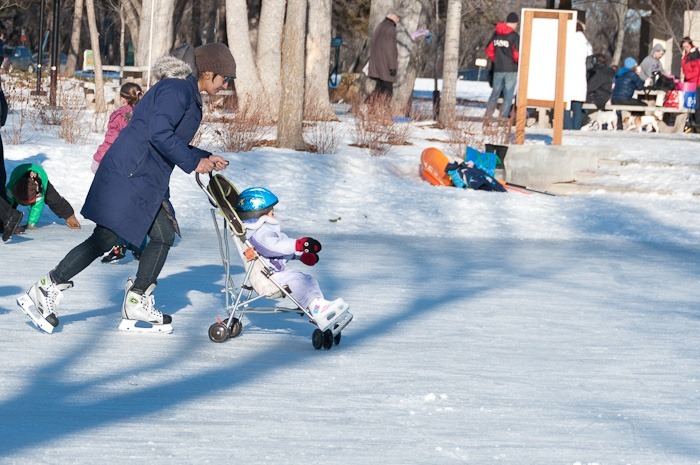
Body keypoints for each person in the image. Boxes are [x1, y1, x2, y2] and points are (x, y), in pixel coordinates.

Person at [18, 42, 236, 334]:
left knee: (160, 235)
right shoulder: (178, 90)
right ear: (209, 72)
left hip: (143, 174)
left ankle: (137, 298)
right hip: (133, 173)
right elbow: (159, 133)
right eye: (225, 78)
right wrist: (192, 162)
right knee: (106, 237)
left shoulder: (184, 91)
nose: (226, 84)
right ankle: (46, 288)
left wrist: (202, 157)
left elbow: (169, 138)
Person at [235, 187, 352, 332]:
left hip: (272, 273)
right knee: (297, 279)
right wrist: (299, 244)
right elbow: (275, 247)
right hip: (267, 278)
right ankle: (316, 308)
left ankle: (319, 306)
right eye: (271, 211)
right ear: (259, 213)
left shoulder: (263, 231)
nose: (274, 214)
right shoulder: (260, 234)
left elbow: (280, 247)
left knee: (308, 279)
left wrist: (300, 255)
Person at [91, 82, 145, 263]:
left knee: (118, 207)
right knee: (135, 206)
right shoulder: (146, 114)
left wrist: (98, 160)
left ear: (122, 98)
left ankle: (119, 245)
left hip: (120, 167)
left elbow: (111, 142)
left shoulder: (119, 115)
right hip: (141, 166)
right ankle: (138, 246)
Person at [6, 163, 80, 232]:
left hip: (40, 176)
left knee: (53, 199)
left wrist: (31, 223)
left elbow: (37, 207)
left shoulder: (39, 192)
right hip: (19, 175)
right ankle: (6, 221)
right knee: (7, 202)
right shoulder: (10, 190)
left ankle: (70, 217)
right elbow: (4, 205)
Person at [485, 12, 520, 119]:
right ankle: (503, 117)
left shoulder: (496, 34)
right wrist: (517, 63)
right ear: (514, 23)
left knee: (495, 93)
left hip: (498, 68)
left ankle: (488, 114)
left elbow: (489, 50)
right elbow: (516, 54)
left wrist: (496, 60)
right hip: (510, 69)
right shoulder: (514, 36)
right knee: (508, 94)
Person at [564, 21, 593, 130]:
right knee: (577, 108)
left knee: (565, 106)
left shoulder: (567, 40)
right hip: (580, 77)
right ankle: (576, 129)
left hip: (567, 76)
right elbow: (590, 58)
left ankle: (567, 128)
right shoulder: (586, 43)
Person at [367, 11, 400, 100]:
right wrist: (392, 67)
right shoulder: (390, 29)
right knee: (388, 92)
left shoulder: (380, 26)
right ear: (393, 17)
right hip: (385, 66)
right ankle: (382, 110)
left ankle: (367, 107)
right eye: (398, 18)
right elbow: (390, 49)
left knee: (378, 89)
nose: (398, 20)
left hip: (376, 64)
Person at [681, 37, 700, 128]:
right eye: (684, 47)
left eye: (687, 46)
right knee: (690, 103)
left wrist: (687, 76)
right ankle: (691, 121)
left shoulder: (695, 55)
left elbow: (696, 71)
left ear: (691, 45)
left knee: (696, 103)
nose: (685, 48)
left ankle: (697, 123)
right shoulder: (687, 55)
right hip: (689, 83)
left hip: (696, 83)